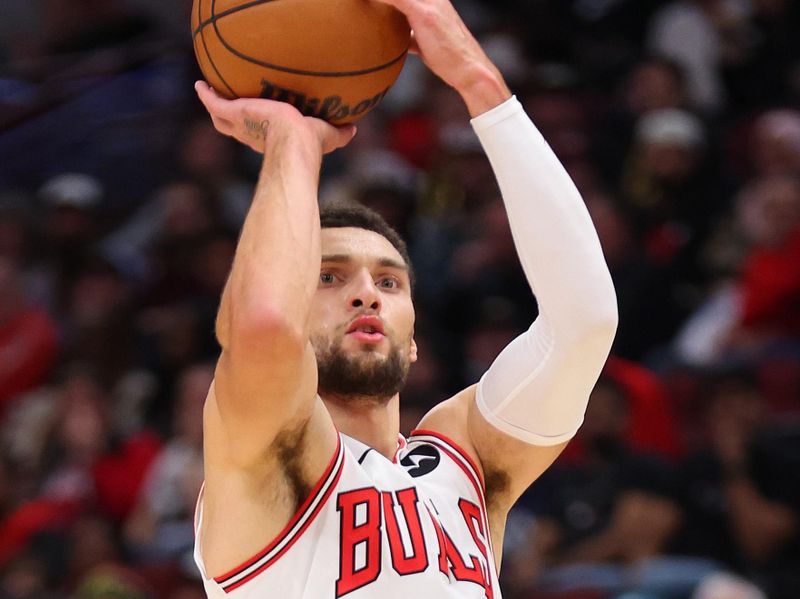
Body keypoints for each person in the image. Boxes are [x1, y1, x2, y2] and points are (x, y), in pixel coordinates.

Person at [191, 0, 618, 596]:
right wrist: (294, 144)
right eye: (329, 277)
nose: (366, 292)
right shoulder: (269, 458)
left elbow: (585, 322)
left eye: (389, 282)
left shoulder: (464, 461)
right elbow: (263, 329)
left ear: (414, 338)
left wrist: (477, 79)